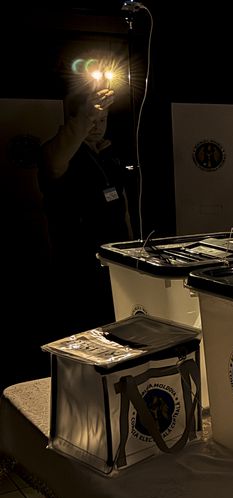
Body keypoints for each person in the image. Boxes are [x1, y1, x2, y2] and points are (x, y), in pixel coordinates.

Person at [39, 80, 133, 337]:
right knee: (82, 332)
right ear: (75, 118)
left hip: (114, 265)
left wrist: (132, 250)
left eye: (102, 120)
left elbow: (123, 210)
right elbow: (56, 161)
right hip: (77, 267)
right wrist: (87, 116)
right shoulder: (58, 153)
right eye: (92, 119)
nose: (97, 126)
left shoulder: (110, 158)